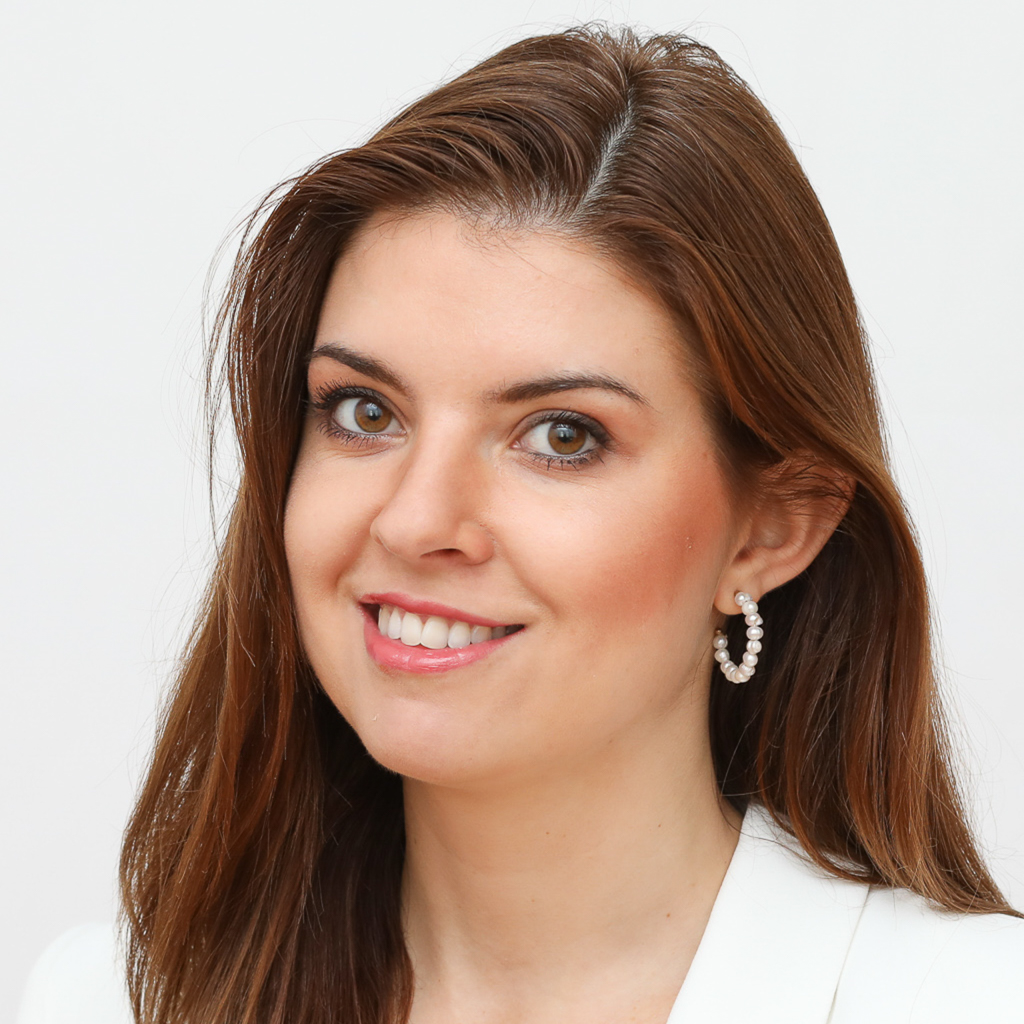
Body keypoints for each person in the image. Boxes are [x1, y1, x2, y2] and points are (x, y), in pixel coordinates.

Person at [17, 24, 1024, 1024]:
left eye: (561, 436)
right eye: (364, 412)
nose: (416, 520)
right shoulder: (107, 1001)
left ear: (770, 533)